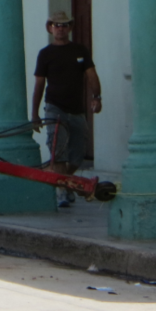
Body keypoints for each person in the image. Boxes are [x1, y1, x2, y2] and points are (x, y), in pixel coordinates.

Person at [31, 11, 101, 208]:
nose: (60, 29)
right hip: (54, 108)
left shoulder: (80, 50)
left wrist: (96, 97)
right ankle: (62, 191)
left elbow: (91, 74)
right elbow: (39, 85)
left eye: (64, 25)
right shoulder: (45, 54)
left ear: (70, 27)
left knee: (78, 153)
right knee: (58, 150)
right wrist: (35, 113)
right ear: (50, 28)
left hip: (77, 109)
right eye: (56, 25)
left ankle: (64, 182)